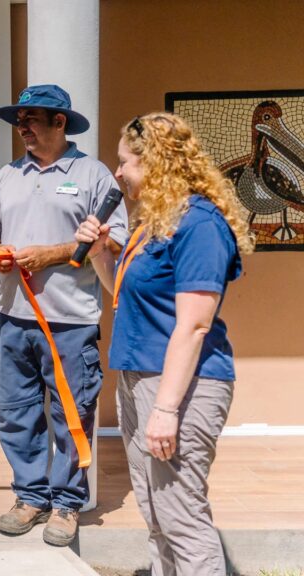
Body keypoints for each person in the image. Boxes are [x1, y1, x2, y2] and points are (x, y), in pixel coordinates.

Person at [75, 112, 253, 575]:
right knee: (156, 512)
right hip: (139, 378)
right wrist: (98, 254)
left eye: (125, 162)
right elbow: (125, 293)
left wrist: (167, 410)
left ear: (156, 164)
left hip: (181, 386)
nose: (117, 173)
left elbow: (194, 326)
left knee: (180, 513)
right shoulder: (156, 222)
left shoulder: (201, 225)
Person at [0, 84, 129, 546]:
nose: (22, 127)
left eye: (32, 119)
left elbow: (112, 240)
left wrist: (54, 254)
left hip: (70, 322)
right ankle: (30, 497)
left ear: (60, 122)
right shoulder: (7, 176)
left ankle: (66, 505)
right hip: (9, 316)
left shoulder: (94, 175)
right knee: (16, 413)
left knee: (71, 417)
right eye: (18, 120)